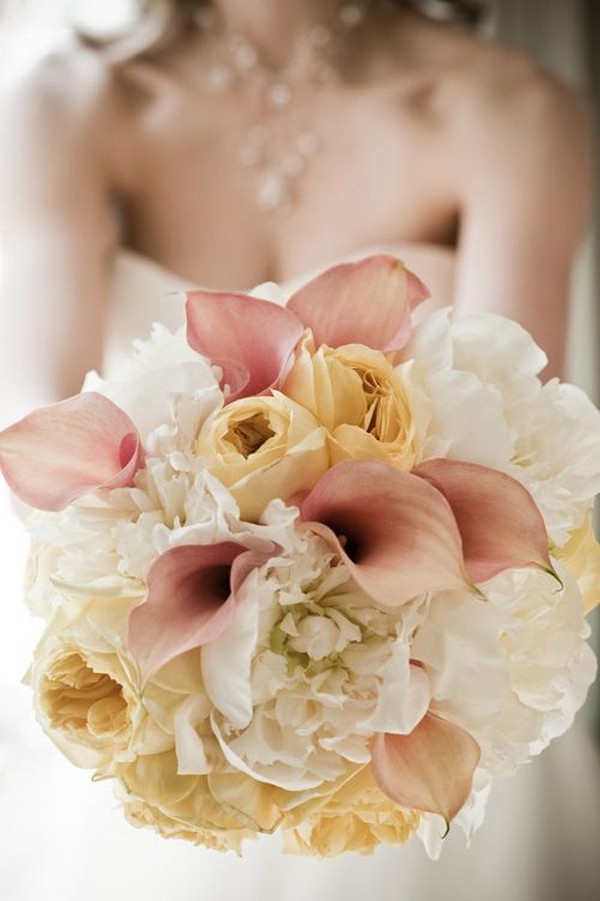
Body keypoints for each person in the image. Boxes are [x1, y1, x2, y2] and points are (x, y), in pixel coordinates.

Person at [0, 2, 598, 900]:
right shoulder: (73, 103)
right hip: (166, 683)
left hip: (409, 685)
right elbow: (43, 444)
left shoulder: (511, 111)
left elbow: (512, 457)